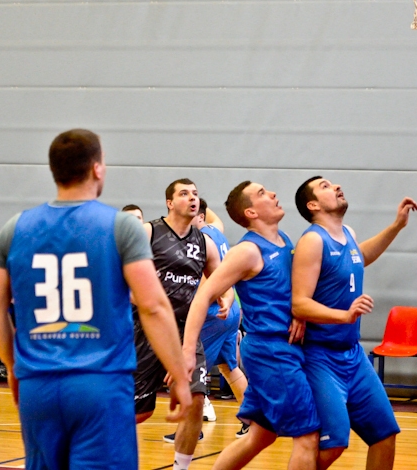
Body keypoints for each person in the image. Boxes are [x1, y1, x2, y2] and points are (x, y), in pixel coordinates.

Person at [0, 128, 190, 470]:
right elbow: (152, 305)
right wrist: (179, 376)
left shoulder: (15, 228)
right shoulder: (120, 226)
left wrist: (15, 364)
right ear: (97, 168)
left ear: (54, 170)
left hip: (39, 388)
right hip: (100, 385)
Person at [182, 181, 320, 470]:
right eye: (262, 194)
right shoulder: (247, 251)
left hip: (282, 349)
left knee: (260, 436)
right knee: (308, 436)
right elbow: (203, 296)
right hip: (273, 353)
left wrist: (300, 312)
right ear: (251, 212)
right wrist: (187, 352)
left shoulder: (284, 240)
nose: (272, 194)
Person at [291, 177, 417, 470]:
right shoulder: (312, 240)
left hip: (353, 355)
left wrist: (396, 226)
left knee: (385, 436)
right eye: (324, 186)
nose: (335, 187)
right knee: (333, 443)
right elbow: (299, 302)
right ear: (313, 205)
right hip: (320, 356)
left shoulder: (347, 234)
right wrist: (344, 315)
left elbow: (360, 256)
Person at [135, 179, 220, 470]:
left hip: (186, 330)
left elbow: (221, 280)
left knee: (196, 399)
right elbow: (118, 273)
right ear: (170, 203)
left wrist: (226, 299)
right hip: (146, 328)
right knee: (137, 412)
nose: (192, 198)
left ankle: (180, 468)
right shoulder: (149, 231)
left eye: (195, 193)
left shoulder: (204, 242)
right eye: (184, 194)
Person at [194, 197, 249, 436]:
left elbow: (208, 283)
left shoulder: (202, 238)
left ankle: (191, 427)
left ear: (200, 216)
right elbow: (215, 217)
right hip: (232, 309)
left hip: (216, 310)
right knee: (229, 367)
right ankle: (251, 419)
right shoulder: (216, 230)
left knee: (192, 369)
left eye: (193, 211)